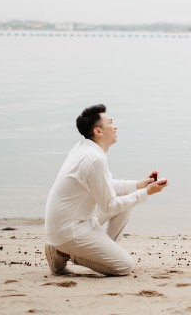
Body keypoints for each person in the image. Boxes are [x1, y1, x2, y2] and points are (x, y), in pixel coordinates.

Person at [43, 103, 168, 276]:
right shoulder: (95, 159)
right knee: (124, 266)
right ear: (98, 131)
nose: (115, 126)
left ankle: (103, 252)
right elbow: (109, 206)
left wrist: (139, 185)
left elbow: (106, 185)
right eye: (110, 122)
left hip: (69, 223)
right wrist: (146, 193)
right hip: (68, 230)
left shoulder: (83, 148)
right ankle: (64, 252)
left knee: (126, 197)